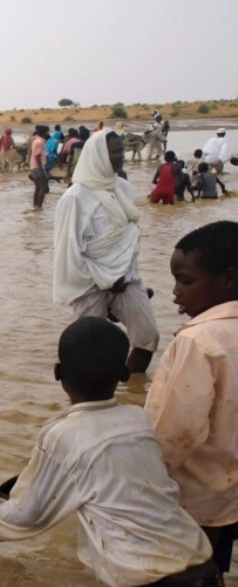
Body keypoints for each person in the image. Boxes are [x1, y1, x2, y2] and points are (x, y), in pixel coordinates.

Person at [0, 317, 219, 587]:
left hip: (148, 576)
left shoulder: (63, 435)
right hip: (200, 560)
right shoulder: (139, 420)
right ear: (125, 374)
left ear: (58, 373)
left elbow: (27, 516)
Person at [145, 221, 238, 576]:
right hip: (229, 493)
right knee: (214, 564)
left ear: (227, 279)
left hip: (194, 499)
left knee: (188, 569)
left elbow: (175, 432)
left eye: (185, 281)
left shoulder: (197, 342)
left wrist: (145, 482)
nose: (175, 291)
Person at [53, 130, 159, 373]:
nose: (122, 155)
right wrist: (106, 280)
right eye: (115, 152)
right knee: (91, 349)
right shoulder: (74, 198)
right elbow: (69, 252)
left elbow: (124, 239)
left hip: (126, 278)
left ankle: (129, 385)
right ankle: (94, 394)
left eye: (121, 150)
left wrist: (120, 275)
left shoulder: (123, 187)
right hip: (91, 282)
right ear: (99, 155)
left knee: (148, 337)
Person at [29, 125, 50, 209]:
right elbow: (37, 156)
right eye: (47, 132)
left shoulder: (36, 141)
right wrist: (42, 171)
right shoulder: (40, 142)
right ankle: (39, 207)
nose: (48, 134)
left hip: (34, 166)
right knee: (42, 188)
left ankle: (35, 206)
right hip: (38, 167)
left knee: (37, 188)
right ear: (44, 133)